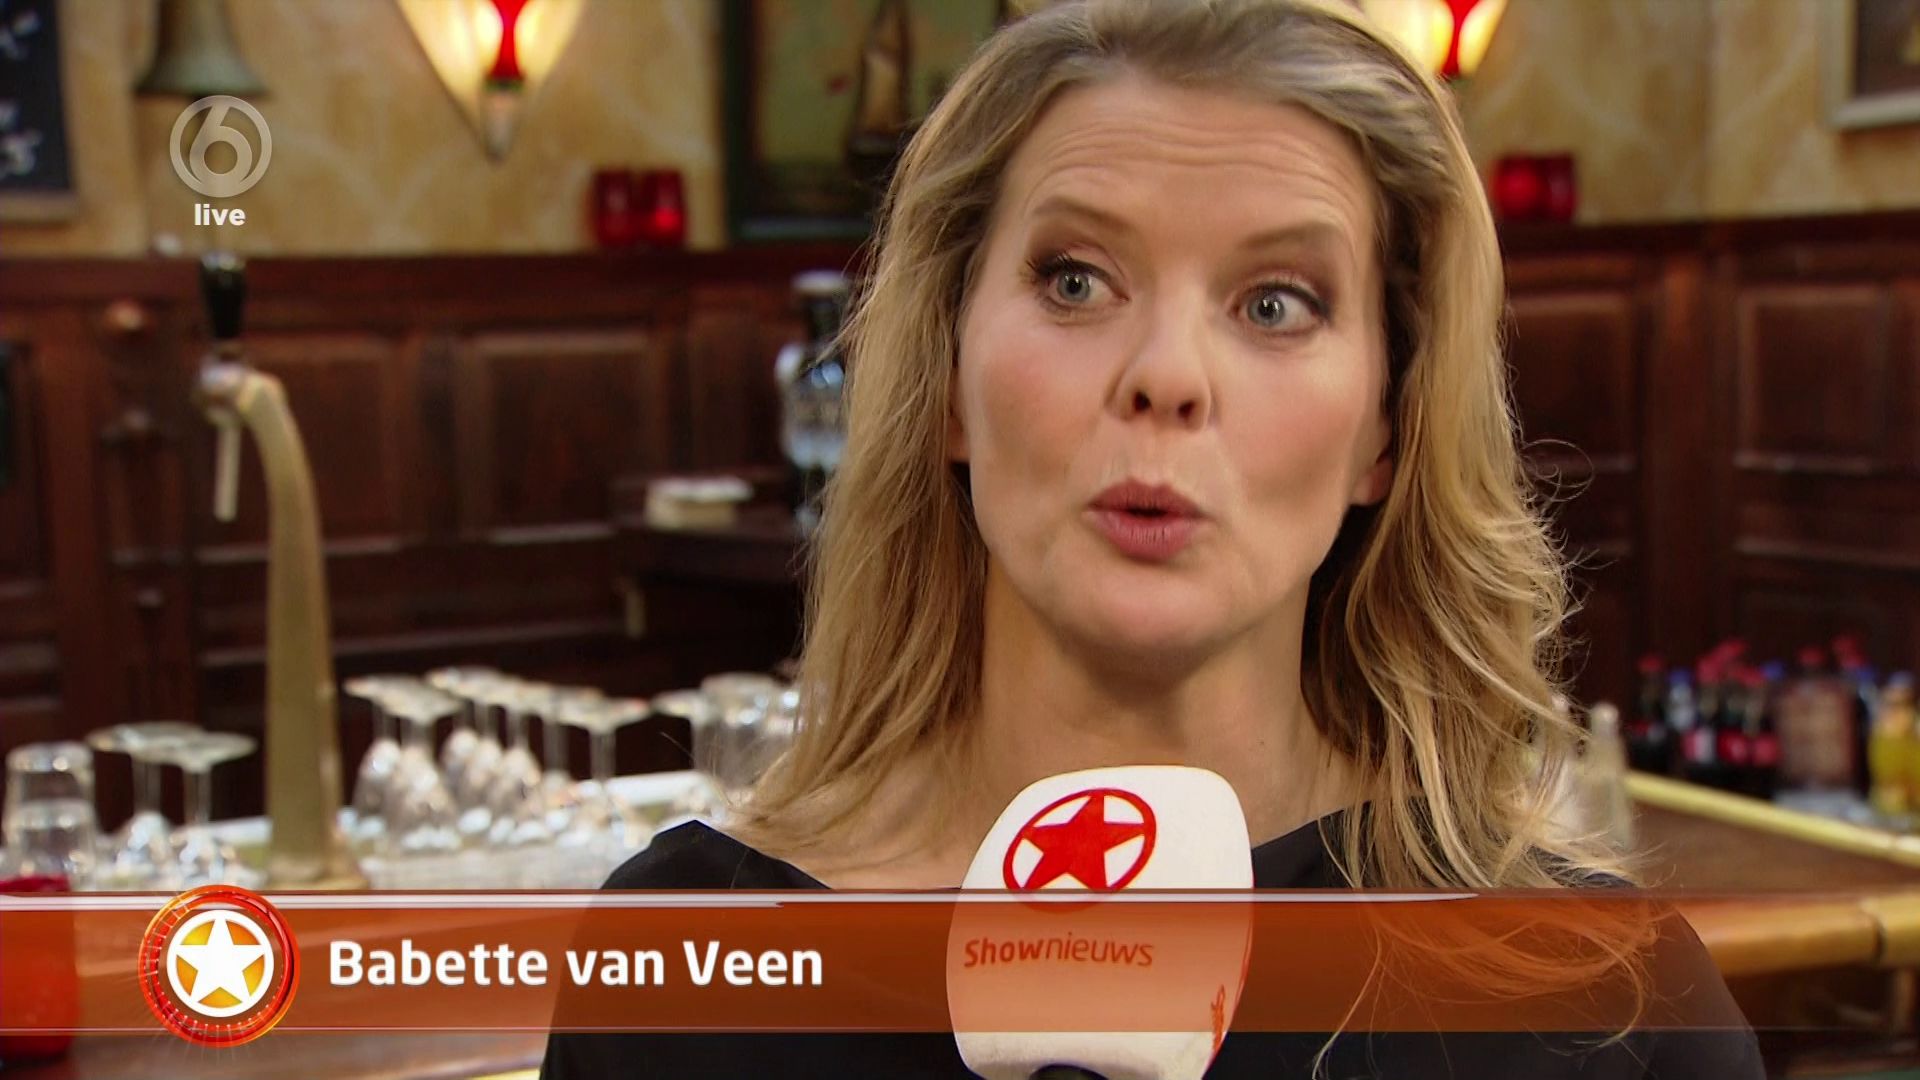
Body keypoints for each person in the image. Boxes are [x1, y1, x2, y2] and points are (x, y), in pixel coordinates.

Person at [543, 0, 1761, 1075]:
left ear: (1384, 431)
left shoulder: (1611, 1008)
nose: (1167, 376)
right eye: (1076, 280)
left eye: (1275, 303)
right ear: (948, 377)